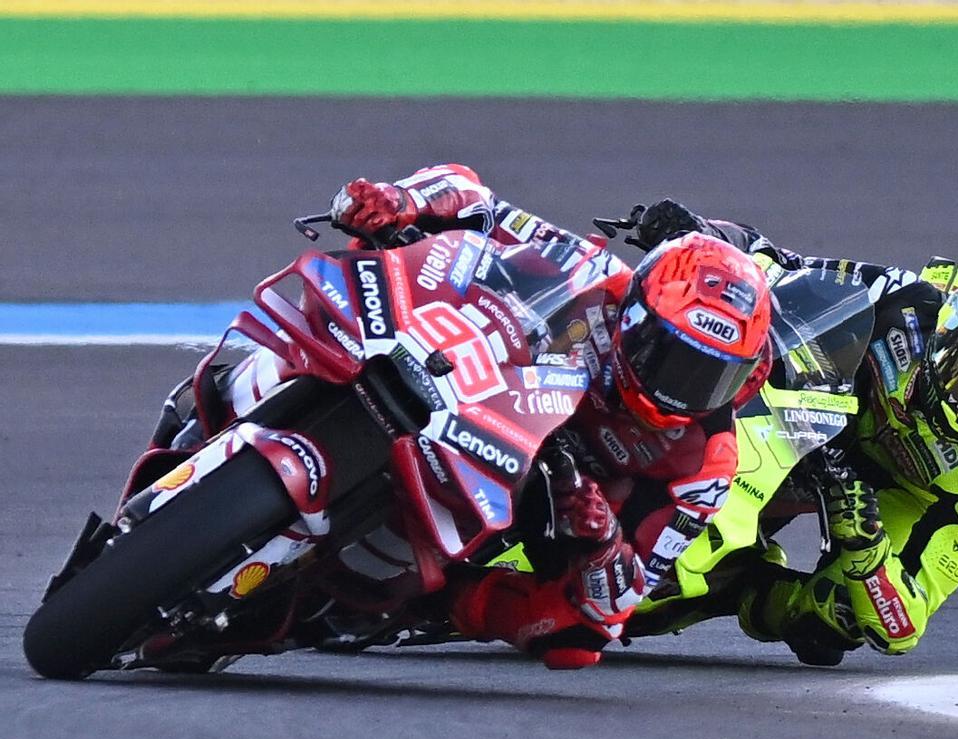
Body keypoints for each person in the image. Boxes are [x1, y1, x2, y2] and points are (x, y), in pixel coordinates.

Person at [150, 167, 772, 669]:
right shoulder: (591, 273)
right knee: (255, 357)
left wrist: (603, 540)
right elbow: (477, 200)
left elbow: (622, 599)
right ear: (636, 316)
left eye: (711, 377)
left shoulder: (706, 462)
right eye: (675, 360)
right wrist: (399, 202)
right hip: (459, 380)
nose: (682, 390)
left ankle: (407, 603)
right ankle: (212, 428)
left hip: (529, 500)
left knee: (574, 639)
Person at [618, 200, 958, 664]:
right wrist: (698, 233)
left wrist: (865, 547)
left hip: (890, 496)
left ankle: (744, 588)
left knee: (837, 617)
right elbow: (779, 267)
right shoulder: (905, 299)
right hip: (810, 425)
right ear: (948, 332)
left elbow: (904, 628)